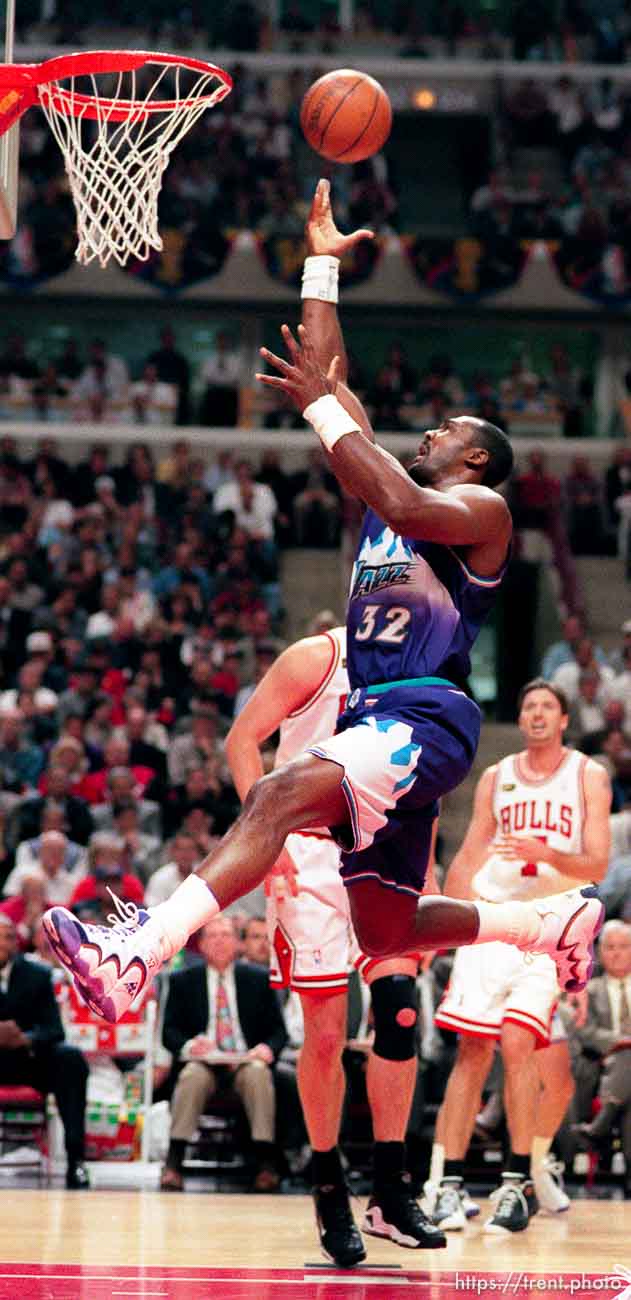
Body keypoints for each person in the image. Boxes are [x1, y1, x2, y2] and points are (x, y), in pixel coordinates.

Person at [43, 178, 604, 1067]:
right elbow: (330, 383)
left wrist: (321, 411)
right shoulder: (394, 498)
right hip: (378, 717)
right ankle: (542, 923)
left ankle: (136, 951)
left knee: (273, 790)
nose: (430, 434)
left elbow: (381, 472)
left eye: (448, 430)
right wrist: (318, 269)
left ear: (480, 456)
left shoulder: (478, 510)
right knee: (385, 925)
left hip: (422, 713)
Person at [225, 624, 445, 1264]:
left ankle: (390, 1190)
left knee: (400, 1011)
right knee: (324, 1034)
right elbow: (243, 740)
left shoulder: (422, 665)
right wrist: (263, 837)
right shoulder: (315, 655)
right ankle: (327, 1187)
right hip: (310, 856)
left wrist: (426, 868)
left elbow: (426, 779)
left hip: (386, 854)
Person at [428, 678, 610, 1234]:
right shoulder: (496, 777)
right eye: (527, 705)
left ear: (562, 720)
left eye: (546, 707)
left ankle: (518, 1181)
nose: (534, 714)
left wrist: (546, 851)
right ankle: (444, 1184)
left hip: (552, 922)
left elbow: (597, 864)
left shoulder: (587, 775)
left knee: (519, 1042)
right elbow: (469, 854)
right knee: (471, 1050)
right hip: (494, 916)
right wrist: (450, 917)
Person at [160, 914, 287, 1193]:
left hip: (245, 1059)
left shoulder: (258, 979)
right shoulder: (183, 980)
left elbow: (279, 1032)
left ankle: (266, 1162)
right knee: (192, 1075)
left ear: (238, 944)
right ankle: (174, 1160)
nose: (219, 941)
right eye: (212, 935)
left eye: (226, 935)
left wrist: (266, 1049)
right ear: (202, 945)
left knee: (258, 1074)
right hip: (204, 1061)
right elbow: (168, 1032)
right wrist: (191, 1046)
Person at [0, 913, 89, 1188]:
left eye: (7, 937)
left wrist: (25, 1039)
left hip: (28, 1059)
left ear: (16, 942)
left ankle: (76, 1160)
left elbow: (54, 1030)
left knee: (71, 1059)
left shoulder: (36, 975)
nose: (2, 943)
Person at [570, 920, 631, 1193]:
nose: (616, 953)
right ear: (600, 952)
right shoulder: (588, 991)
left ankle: (600, 1125)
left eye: (624, 947)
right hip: (598, 1062)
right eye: (610, 947)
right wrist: (620, 1044)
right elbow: (585, 1031)